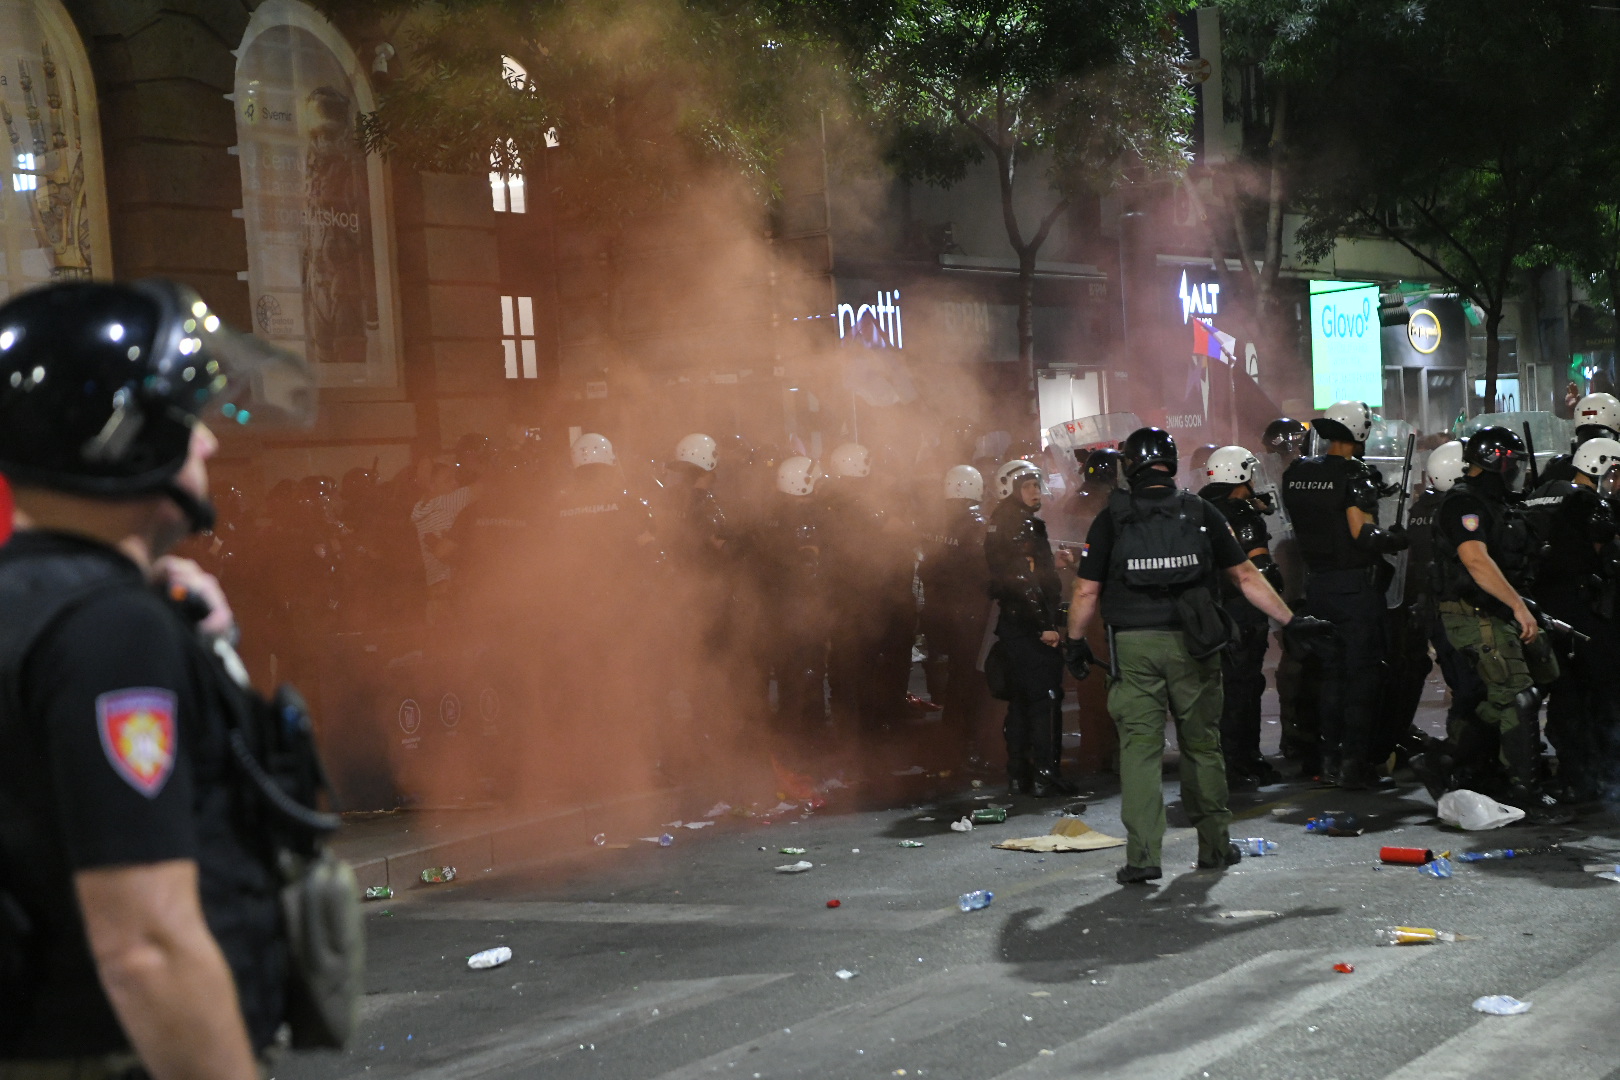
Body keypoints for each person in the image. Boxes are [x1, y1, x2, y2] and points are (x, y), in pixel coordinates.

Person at [0, 280, 342, 1074]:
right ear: (127, 440)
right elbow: (147, 946)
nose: (209, 444)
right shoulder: (108, 633)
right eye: (188, 422)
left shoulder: (44, 606)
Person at [1067, 428, 1312, 885]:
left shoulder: (1111, 519)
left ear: (1131, 466)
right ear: (1171, 462)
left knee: (1139, 752)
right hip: (1194, 645)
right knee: (1202, 746)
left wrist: (1075, 642)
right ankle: (1215, 847)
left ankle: (1142, 858)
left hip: (1135, 648)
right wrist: (1291, 620)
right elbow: (1244, 575)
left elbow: (1086, 590)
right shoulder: (1200, 510)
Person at [1430, 427, 1566, 822]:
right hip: (1473, 612)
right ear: (1494, 461)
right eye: (1512, 462)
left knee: (1528, 687)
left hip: (1500, 609)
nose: (1516, 471)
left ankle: (1444, 759)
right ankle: (1526, 792)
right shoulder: (1463, 503)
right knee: (1518, 698)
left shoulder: (1498, 502)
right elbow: (1475, 560)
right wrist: (1519, 608)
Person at [1281, 400, 1408, 788]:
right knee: (1362, 677)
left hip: (1317, 585)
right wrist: (1395, 538)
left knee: (1330, 677)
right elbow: (1362, 533)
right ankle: (1355, 764)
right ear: (1360, 431)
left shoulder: (1298, 472)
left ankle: (1328, 760)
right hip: (1354, 588)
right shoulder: (1355, 474)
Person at [1521, 437, 1620, 805]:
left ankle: (1568, 775)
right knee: (1595, 694)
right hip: (1584, 612)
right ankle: (1592, 777)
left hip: (1543, 609)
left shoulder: (1542, 494)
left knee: (1561, 692)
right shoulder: (1589, 503)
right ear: (1600, 467)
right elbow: (1603, 553)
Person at [985, 460, 1078, 797]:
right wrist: (1045, 625)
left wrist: (1050, 564)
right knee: (1043, 699)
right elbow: (1022, 578)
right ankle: (1044, 775)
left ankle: (1019, 775)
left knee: (1022, 701)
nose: (1035, 491)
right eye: (1027, 486)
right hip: (1028, 625)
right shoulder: (1021, 525)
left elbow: (1021, 570)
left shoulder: (1001, 521)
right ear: (1010, 488)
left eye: (1037, 484)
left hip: (1014, 624)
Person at [1196, 445, 1283, 790]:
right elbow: (1259, 570)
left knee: (1225, 690)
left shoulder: (1200, 509)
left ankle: (1234, 760)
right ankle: (1240, 760)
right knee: (1242, 688)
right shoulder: (1242, 514)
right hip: (1241, 614)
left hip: (1209, 613)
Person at [918, 464, 991, 755]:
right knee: (968, 675)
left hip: (938, 609)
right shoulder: (977, 524)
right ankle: (964, 735)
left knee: (946, 671)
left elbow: (926, 566)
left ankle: (949, 732)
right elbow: (984, 570)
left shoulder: (934, 522)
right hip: (969, 612)